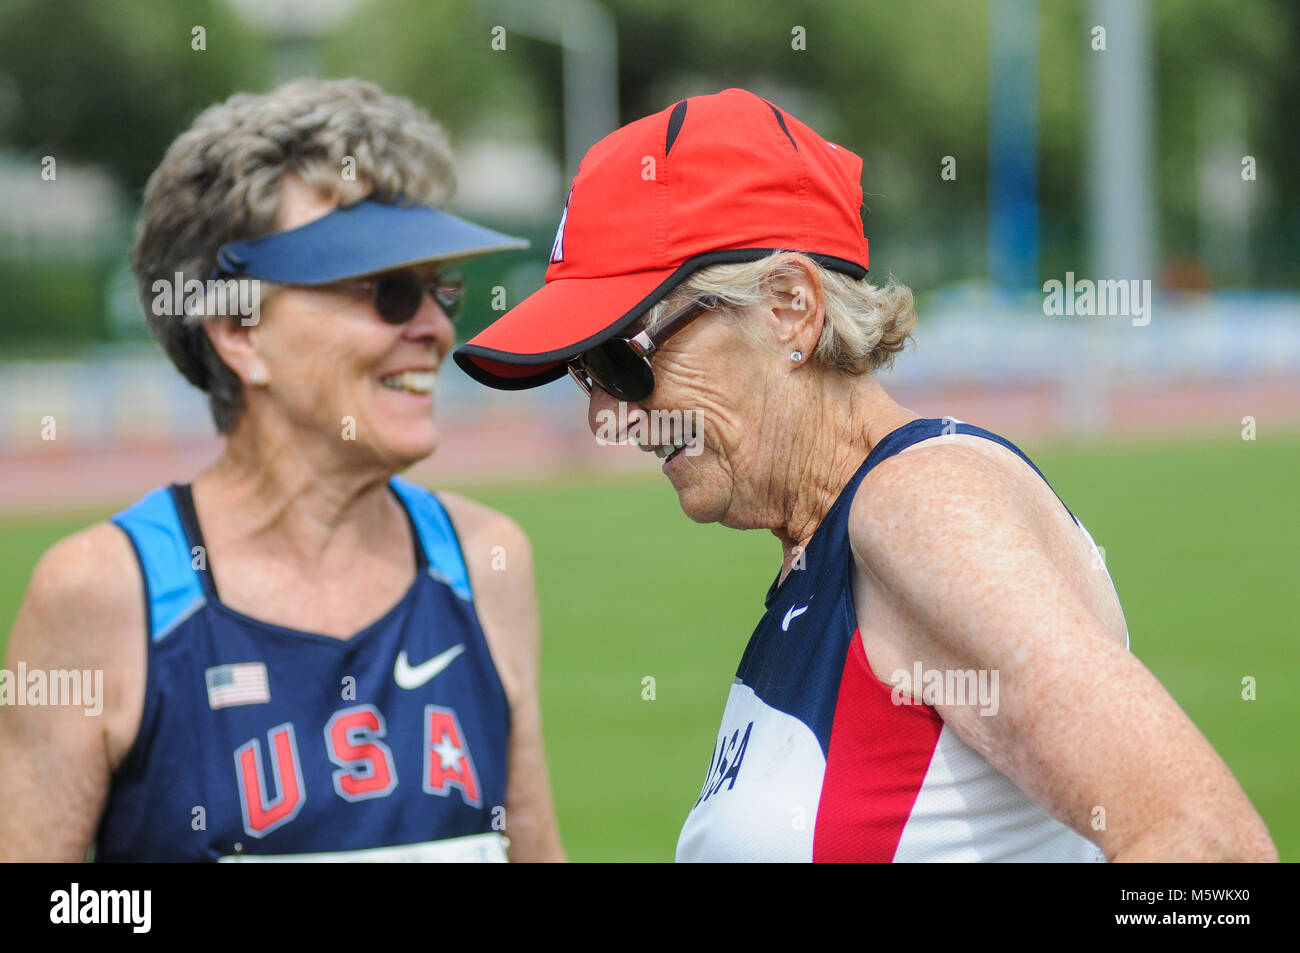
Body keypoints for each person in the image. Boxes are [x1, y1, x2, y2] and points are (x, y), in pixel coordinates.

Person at [453, 88, 1278, 862]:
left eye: (621, 360)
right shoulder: (825, 542)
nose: (605, 416)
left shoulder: (920, 505)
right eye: (581, 373)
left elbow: (1210, 848)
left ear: (789, 308)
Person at [0, 78, 564, 862]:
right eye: (391, 291)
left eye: (443, 289)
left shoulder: (485, 562)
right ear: (240, 329)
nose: (436, 327)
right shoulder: (101, 594)